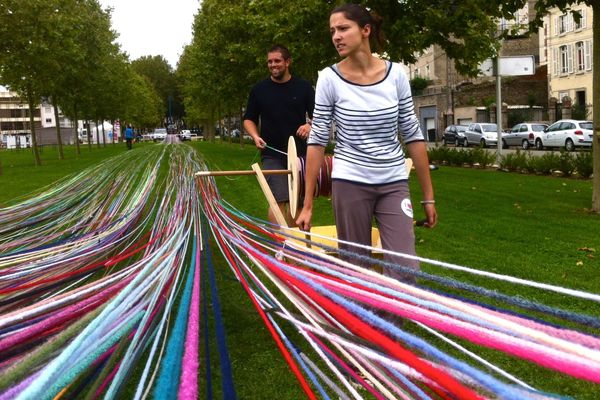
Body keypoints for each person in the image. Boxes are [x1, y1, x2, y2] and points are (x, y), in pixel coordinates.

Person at [296, 4, 437, 283]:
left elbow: (413, 133)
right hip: (350, 182)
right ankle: (361, 326)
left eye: (343, 28)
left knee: (405, 270)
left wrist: (428, 196)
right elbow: (317, 141)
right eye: (332, 31)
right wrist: (307, 202)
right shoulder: (328, 78)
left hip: (393, 181)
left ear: (366, 30)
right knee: (355, 269)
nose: (336, 36)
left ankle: (387, 326)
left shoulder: (396, 74)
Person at [243, 44, 315, 226]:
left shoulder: (304, 87)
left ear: (288, 62)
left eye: (277, 61)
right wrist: (255, 136)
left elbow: (320, 116)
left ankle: (299, 247)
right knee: (278, 200)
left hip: (300, 154)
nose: (273, 65)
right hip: (271, 154)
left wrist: (309, 125)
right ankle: (281, 247)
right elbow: (248, 119)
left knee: (298, 202)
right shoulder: (259, 90)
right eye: (270, 61)